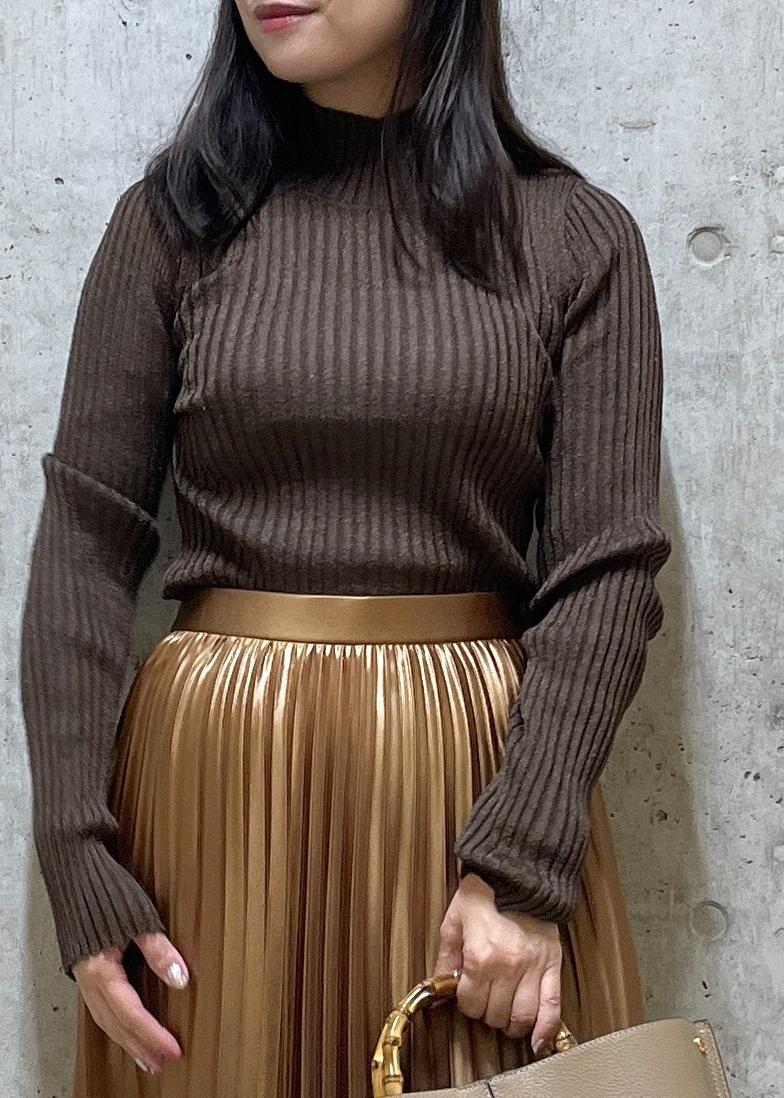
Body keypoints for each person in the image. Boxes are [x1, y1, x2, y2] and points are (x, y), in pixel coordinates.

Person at [18, 0, 672, 1095]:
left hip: (472, 787)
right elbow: (86, 538)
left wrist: (521, 865)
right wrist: (77, 857)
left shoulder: (572, 236)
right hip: (211, 792)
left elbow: (605, 569)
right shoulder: (173, 225)